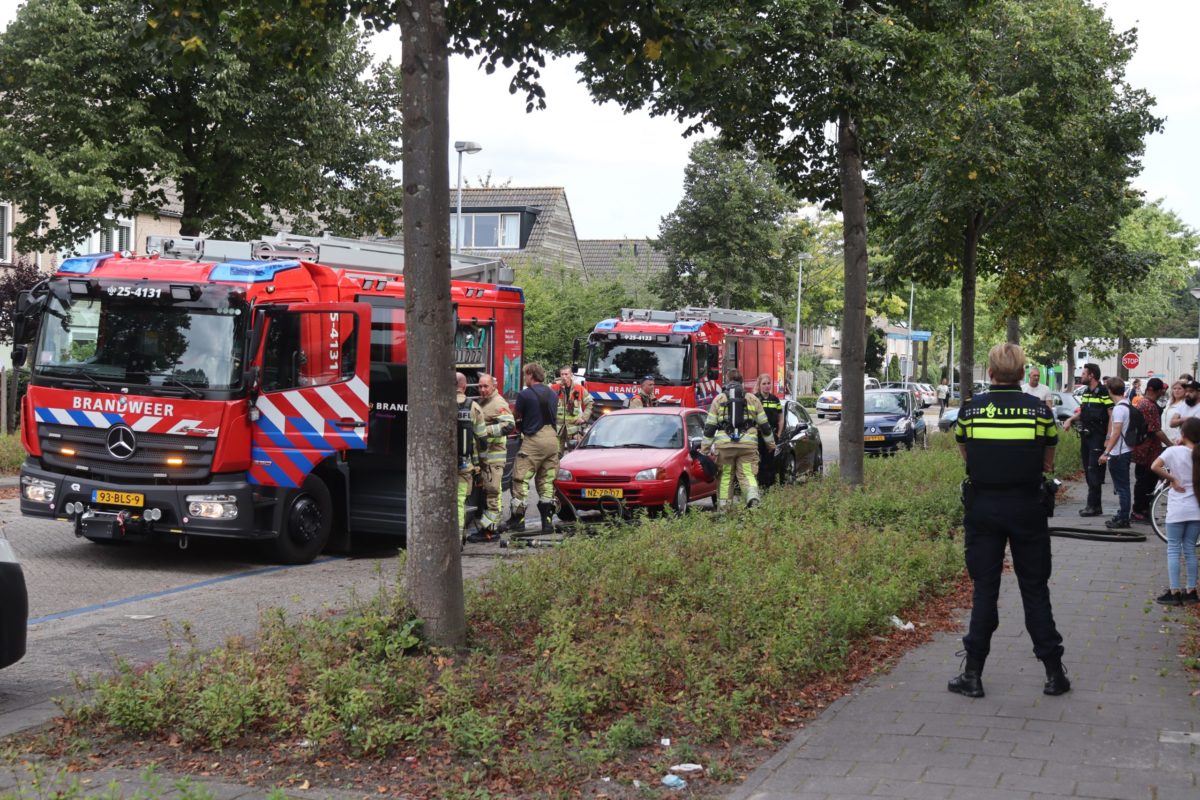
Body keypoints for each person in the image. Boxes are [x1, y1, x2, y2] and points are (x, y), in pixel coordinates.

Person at [950, 343, 1068, 699]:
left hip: (983, 508)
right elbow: (1048, 463)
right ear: (1022, 374)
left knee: (984, 590)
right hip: (1027, 507)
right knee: (1035, 589)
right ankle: (1053, 673)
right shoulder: (1039, 411)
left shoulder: (970, 411)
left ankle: (972, 674)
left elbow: (966, 455)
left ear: (990, 373)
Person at [702, 368, 776, 509]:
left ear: (727, 380)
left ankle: (724, 509)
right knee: (747, 474)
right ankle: (753, 498)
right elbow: (765, 426)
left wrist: (704, 449)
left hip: (725, 447)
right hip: (747, 446)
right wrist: (771, 444)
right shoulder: (752, 399)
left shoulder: (719, 399)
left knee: (725, 478)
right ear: (742, 382)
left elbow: (710, 428)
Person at [1150, 416, 1200, 606]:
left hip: (1178, 509)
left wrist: (1172, 479)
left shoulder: (1173, 451)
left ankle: (1174, 591)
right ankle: (1191, 591)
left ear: (1183, 433)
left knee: (1173, 549)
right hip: (1196, 509)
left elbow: (1154, 466)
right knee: (1190, 549)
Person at [507, 362, 559, 538]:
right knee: (547, 481)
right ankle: (548, 522)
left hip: (534, 439)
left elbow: (516, 417)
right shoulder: (553, 393)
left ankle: (519, 520)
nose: (524, 378)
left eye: (525, 375)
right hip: (552, 439)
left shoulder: (524, 394)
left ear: (530, 374)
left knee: (520, 478)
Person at [467, 373, 514, 542]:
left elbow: (509, 424)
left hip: (494, 459)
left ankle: (490, 532)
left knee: (493, 494)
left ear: (494, 386)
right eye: (479, 386)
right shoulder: (484, 402)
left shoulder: (498, 402)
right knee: (487, 494)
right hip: (485, 459)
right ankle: (487, 528)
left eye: (485, 386)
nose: (482, 389)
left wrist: (483, 432)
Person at [1062, 363, 1112, 517]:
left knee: (1093, 471)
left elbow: (1111, 415)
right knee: (1088, 470)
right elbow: (1082, 412)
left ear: (1091, 376)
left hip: (1098, 437)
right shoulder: (1085, 392)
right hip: (1086, 436)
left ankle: (1093, 505)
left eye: (1084, 374)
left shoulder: (1103, 392)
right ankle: (1095, 506)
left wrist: (1108, 438)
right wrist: (1070, 419)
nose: (1081, 376)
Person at [1131, 378, 1170, 524]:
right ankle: (1139, 511)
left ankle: (1143, 510)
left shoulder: (1143, 403)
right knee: (1145, 481)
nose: (1162, 393)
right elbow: (1155, 430)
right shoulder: (1148, 405)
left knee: (1146, 480)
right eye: (1161, 390)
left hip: (1145, 450)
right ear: (1153, 390)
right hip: (1147, 451)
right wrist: (1170, 444)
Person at [1097, 377, 1133, 530]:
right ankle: (1122, 514)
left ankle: (1124, 518)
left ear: (1110, 390)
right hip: (1126, 450)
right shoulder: (1127, 404)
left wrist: (1106, 452)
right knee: (1123, 486)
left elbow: (1116, 432)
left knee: (1122, 487)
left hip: (1119, 452)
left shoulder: (1119, 408)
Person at [454, 372, 485, 541]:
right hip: (464, 465)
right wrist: (481, 463)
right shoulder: (473, 407)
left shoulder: (440, 403)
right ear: (464, 387)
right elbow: (482, 439)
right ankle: (458, 537)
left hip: (442, 466)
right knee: (459, 501)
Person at [754, 373, 785, 488]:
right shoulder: (755, 399)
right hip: (758, 436)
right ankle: (760, 485)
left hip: (772, 435)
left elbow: (781, 418)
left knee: (770, 462)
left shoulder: (775, 400)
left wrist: (778, 434)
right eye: (764, 384)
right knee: (759, 462)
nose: (767, 386)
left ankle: (769, 486)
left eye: (768, 383)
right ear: (759, 385)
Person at [554, 365, 593, 453]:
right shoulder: (554, 388)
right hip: (558, 430)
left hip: (574, 430)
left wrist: (583, 418)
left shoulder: (579, 389)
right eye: (562, 374)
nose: (564, 377)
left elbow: (590, 403)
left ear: (571, 375)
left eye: (566, 374)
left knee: (574, 455)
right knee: (556, 456)